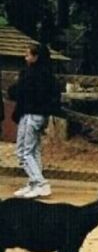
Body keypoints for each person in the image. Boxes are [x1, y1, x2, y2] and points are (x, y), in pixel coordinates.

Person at [7, 43, 57, 198]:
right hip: (38, 115)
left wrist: (12, 91)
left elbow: (19, 91)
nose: (25, 57)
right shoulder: (48, 74)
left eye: (28, 55)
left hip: (30, 115)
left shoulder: (32, 75)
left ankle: (41, 183)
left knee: (23, 152)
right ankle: (33, 183)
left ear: (36, 57)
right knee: (34, 150)